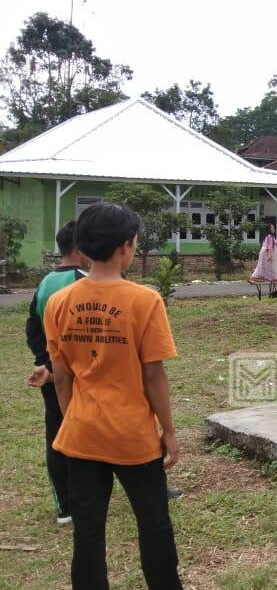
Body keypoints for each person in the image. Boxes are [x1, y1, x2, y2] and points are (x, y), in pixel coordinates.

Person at [43, 202, 182, 589]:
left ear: (83, 247)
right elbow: (153, 375)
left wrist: (73, 418)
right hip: (133, 437)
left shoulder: (59, 302)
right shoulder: (145, 300)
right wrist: (168, 430)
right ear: (125, 246)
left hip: (82, 435)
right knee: (154, 524)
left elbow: (60, 377)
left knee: (87, 532)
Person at [25, 221, 86, 525]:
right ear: (79, 249)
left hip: (51, 374)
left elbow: (32, 328)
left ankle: (66, 505)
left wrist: (46, 364)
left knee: (57, 434)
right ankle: (147, 487)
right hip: (79, 376)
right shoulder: (84, 281)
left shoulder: (45, 282)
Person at [250, 222, 277, 298]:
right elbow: (269, 247)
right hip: (267, 254)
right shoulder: (270, 237)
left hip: (265, 254)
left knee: (265, 267)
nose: (274, 229)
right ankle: (254, 278)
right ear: (269, 229)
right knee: (268, 267)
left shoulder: (269, 236)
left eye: (273, 227)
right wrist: (269, 256)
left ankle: (272, 279)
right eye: (272, 228)